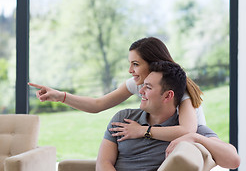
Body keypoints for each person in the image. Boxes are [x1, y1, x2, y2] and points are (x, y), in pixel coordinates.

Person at [12, 61, 238, 171]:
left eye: (148, 88)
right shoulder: (123, 117)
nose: (140, 90)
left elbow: (233, 160)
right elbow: (104, 165)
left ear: (168, 96)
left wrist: (195, 137)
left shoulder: (187, 129)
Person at [29, 37, 203, 144]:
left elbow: (188, 131)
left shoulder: (177, 88)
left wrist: (142, 130)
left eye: (136, 64)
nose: (130, 70)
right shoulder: (138, 83)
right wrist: (61, 96)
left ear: (153, 64)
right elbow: (98, 104)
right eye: (130, 63)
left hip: (193, 143)